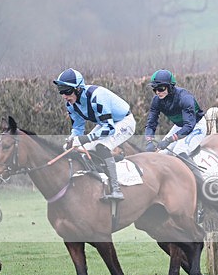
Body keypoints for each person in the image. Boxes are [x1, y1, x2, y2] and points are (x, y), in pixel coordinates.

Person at [53, 68, 135, 201]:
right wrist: (71, 140)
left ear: (78, 89)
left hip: (124, 122)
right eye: (61, 91)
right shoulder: (71, 105)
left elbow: (109, 129)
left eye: (67, 91)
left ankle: (116, 189)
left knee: (101, 146)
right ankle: (99, 181)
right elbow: (78, 128)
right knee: (83, 151)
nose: (64, 96)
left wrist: (86, 138)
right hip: (106, 124)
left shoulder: (97, 97)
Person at [144, 69, 207, 160]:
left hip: (196, 126)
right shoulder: (156, 101)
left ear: (170, 87)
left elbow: (189, 125)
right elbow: (151, 123)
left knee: (179, 151)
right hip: (180, 126)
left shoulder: (185, 97)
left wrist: (169, 140)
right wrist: (149, 141)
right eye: (155, 89)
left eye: (161, 88)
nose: (158, 92)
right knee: (160, 154)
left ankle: (198, 175)